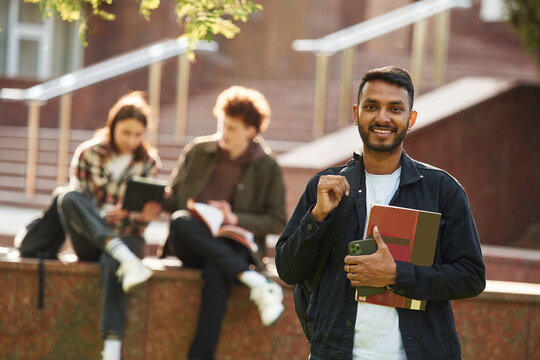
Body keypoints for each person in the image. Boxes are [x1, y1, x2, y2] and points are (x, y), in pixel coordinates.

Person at [275, 66, 486, 360]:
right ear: (356, 113)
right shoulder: (326, 187)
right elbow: (288, 270)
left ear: (410, 119)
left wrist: (397, 274)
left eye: (395, 109)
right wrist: (317, 217)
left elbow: (471, 277)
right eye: (371, 106)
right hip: (334, 353)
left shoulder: (442, 191)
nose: (382, 118)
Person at [162, 85, 287, 360]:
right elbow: (174, 199)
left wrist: (234, 219)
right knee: (180, 220)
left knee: (217, 272)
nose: (223, 134)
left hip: (235, 245)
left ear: (251, 131)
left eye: (231, 128)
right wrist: (155, 199)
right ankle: (252, 279)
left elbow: (278, 220)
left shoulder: (267, 167)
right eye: (221, 125)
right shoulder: (198, 150)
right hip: (194, 239)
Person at [56, 91, 162, 360]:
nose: (131, 140)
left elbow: (142, 215)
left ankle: (111, 348)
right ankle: (122, 256)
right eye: (125, 132)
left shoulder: (148, 163)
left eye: (138, 134)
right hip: (90, 240)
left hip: (130, 237)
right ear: (112, 126)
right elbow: (78, 204)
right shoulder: (87, 153)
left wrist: (142, 217)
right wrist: (104, 214)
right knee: (66, 196)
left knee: (112, 261)